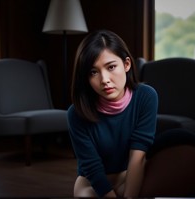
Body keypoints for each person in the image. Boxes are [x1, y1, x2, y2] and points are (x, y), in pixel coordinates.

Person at [67, 29, 158, 197]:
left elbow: (138, 157)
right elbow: (91, 167)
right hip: (91, 182)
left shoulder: (146, 96)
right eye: (93, 72)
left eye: (111, 67)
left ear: (126, 64)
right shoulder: (76, 113)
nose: (104, 80)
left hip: (129, 175)